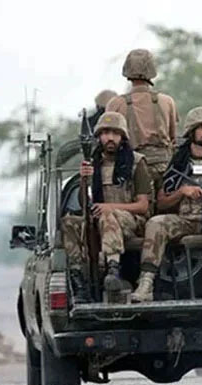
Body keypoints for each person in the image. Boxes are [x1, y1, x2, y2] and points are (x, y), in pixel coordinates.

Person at [131, 106, 202, 303]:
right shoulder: (177, 163)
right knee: (155, 223)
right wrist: (182, 192)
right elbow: (162, 201)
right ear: (191, 132)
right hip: (184, 220)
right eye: (201, 127)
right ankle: (146, 283)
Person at [61, 111, 152, 303]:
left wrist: (109, 207)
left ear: (122, 136)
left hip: (131, 221)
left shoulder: (136, 163)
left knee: (107, 216)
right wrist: (85, 179)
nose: (110, 138)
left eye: (115, 133)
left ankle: (113, 269)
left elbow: (143, 206)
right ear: (99, 137)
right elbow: (86, 205)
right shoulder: (93, 163)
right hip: (99, 219)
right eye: (105, 132)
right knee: (69, 222)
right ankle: (79, 281)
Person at [106, 49, 179, 198]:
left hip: (131, 168)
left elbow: (107, 138)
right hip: (164, 168)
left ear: (127, 71)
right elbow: (173, 139)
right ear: (152, 70)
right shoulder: (167, 101)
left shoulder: (116, 104)